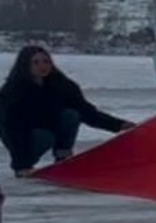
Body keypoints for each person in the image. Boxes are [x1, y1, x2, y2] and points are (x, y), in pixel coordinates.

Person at [1, 46, 135, 176]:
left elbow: (86, 112)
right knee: (44, 136)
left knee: (71, 114)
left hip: (51, 128)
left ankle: (63, 156)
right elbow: (9, 129)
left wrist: (119, 124)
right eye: (35, 62)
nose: (42, 66)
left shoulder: (62, 85)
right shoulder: (13, 91)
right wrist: (21, 164)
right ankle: (26, 165)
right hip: (25, 137)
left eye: (46, 61)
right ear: (25, 65)